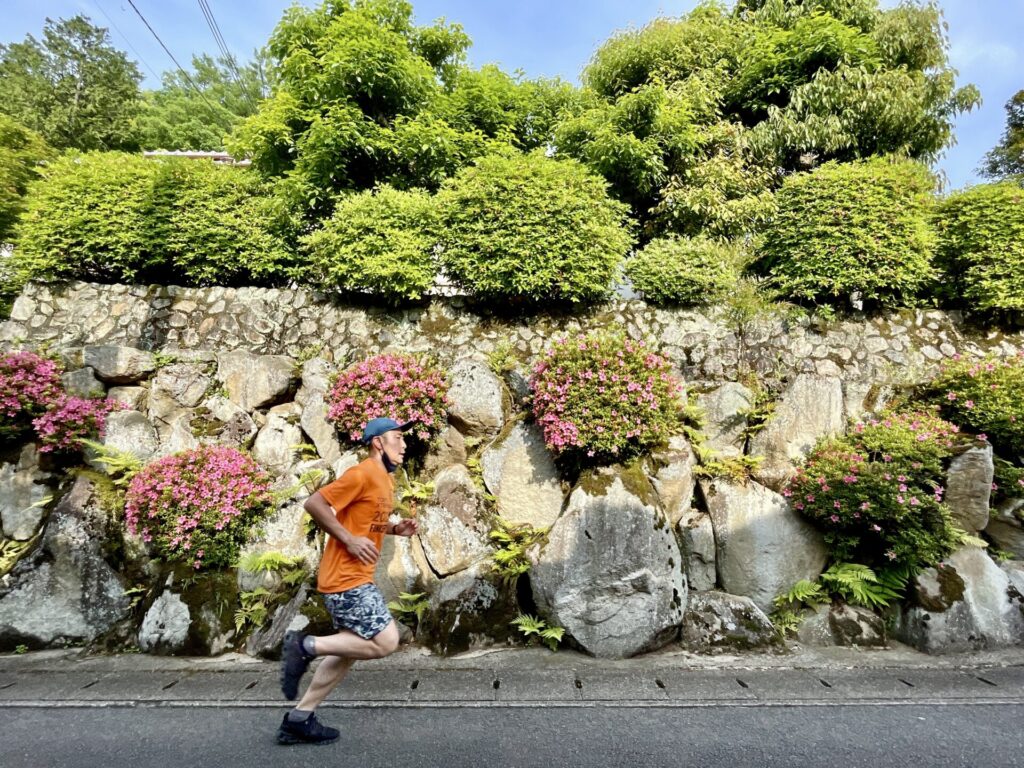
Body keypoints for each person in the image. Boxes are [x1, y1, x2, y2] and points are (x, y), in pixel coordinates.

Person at [276, 416, 419, 746]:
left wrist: (394, 529)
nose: (404, 444)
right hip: (346, 579)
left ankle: (299, 719)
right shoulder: (363, 473)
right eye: (398, 438)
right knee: (386, 641)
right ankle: (306, 645)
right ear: (378, 443)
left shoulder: (384, 480)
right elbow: (315, 503)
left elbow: (365, 521)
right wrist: (348, 539)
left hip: (352, 578)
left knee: (347, 652)